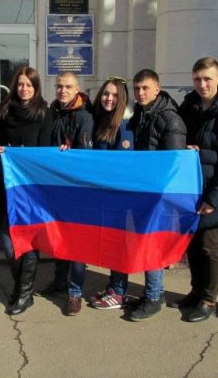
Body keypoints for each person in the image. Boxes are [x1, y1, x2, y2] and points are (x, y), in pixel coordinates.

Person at [173, 57, 218, 322]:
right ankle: (195, 290)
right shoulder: (188, 108)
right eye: (197, 79)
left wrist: (215, 198)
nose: (202, 84)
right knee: (192, 244)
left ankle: (209, 299)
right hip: (190, 190)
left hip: (214, 191)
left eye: (207, 79)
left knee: (210, 247)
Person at [121, 68, 187, 322]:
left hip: (157, 195)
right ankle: (153, 291)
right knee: (145, 244)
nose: (140, 93)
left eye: (145, 88)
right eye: (137, 89)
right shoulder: (141, 114)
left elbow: (173, 163)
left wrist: (161, 196)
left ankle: (154, 296)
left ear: (157, 89)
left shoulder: (169, 119)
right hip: (142, 191)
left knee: (153, 245)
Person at [0, 66, 52, 316]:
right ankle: (20, 287)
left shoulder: (44, 113)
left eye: (29, 85)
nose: (24, 89)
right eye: (20, 84)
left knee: (28, 241)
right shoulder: (4, 111)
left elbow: (45, 151)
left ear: (36, 88)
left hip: (31, 189)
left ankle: (24, 293)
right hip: (7, 185)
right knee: (8, 242)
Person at [35, 71, 93, 317]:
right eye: (59, 86)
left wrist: (70, 153)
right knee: (58, 237)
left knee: (77, 243)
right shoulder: (52, 112)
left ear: (77, 89)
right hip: (55, 187)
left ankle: (75, 292)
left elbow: (85, 157)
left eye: (68, 86)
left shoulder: (84, 117)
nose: (62, 90)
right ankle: (59, 281)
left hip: (77, 190)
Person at [86, 76, 135, 311]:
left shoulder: (123, 125)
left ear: (122, 98)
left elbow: (122, 166)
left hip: (118, 196)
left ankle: (119, 292)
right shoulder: (102, 119)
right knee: (111, 243)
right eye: (106, 93)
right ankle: (114, 285)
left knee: (118, 244)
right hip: (103, 193)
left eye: (115, 95)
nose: (109, 98)